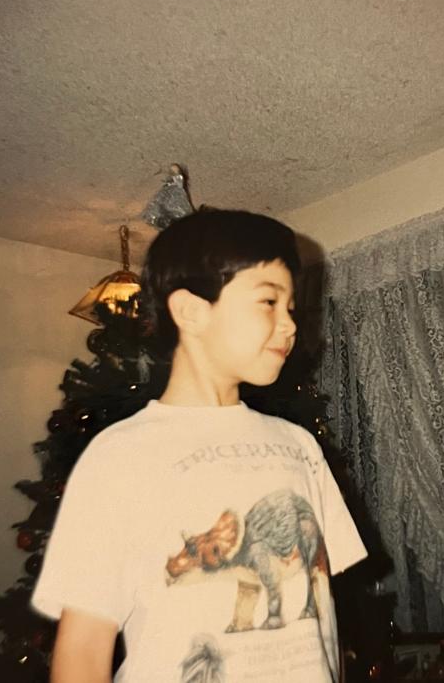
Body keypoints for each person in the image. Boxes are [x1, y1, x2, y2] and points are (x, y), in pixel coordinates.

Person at [32, 208, 368, 683]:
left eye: (291, 308)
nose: (290, 325)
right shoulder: (119, 455)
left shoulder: (298, 446)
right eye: (269, 302)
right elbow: (84, 650)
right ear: (190, 311)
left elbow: (318, 618)